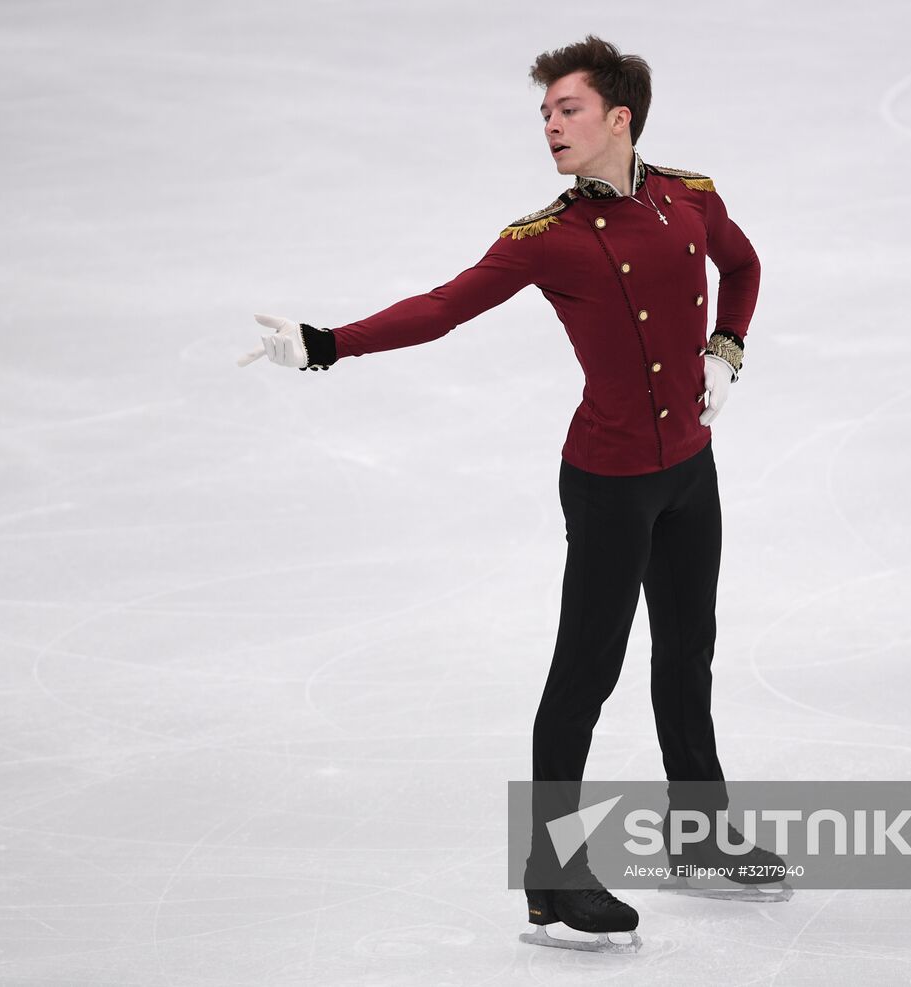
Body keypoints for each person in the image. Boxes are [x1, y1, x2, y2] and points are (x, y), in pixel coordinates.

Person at [240, 35, 783, 953]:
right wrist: (328, 341)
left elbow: (743, 264)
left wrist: (727, 348)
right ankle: (552, 878)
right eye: (542, 114)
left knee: (688, 653)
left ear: (620, 117)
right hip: (609, 483)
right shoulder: (548, 240)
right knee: (586, 675)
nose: (549, 127)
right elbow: (442, 307)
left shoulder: (690, 196)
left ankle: (701, 835)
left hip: (692, 471)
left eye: (566, 109)